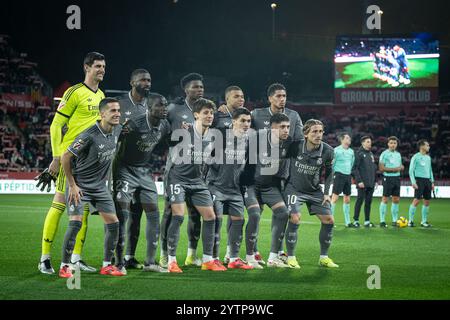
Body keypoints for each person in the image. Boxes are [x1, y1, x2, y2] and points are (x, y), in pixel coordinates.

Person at [37, 52, 106, 274]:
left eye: (104, 66)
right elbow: (56, 126)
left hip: (90, 162)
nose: (102, 70)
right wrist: (56, 158)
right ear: (86, 67)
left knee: (83, 210)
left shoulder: (102, 95)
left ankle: (76, 258)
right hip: (70, 158)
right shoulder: (74, 92)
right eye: (97, 66)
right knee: (59, 205)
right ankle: (45, 258)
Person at [59, 98, 124, 278]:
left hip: (100, 188)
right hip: (79, 186)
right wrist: (72, 185)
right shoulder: (88, 135)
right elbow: (66, 156)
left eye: (118, 110)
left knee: (113, 224)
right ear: (102, 114)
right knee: (75, 224)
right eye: (112, 111)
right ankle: (64, 266)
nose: (117, 113)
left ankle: (106, 265)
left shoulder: (118, 130)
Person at [165, 98, 226, 273]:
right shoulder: (183, 131)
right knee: (178, 216)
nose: (210, 116)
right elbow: (168, 145)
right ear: (196, 114)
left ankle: (207, 260)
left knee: (210, 216)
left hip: (197, 182)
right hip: (178, 179)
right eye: (205, 112)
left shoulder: (213, 136)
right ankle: (171, 261)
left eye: (211, 113)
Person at [113, 93, 170, 273]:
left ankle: (150, 262)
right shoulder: (133, 125)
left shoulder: (165, 125)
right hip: (124, 169)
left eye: (165, 105)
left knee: (153, 212)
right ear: (149, 108)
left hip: (144, 171)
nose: (164, 109)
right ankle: (118, 262)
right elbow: (114, 141)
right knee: (122, 215)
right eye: (160, 106)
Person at [247, 83, 303, 264]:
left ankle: (276, 252)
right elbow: (242, 128)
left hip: (281, 175)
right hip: (257, 174)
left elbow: (298, 142)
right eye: (278, 96)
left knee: (281, 213)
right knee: (257, 212)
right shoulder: (256, 114)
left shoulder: (293, 116)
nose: (282, 99)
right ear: (270, 98)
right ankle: (253, 252)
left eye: (284, 96)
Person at [160, 73, 205, 268]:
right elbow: (162, 134)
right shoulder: (173, 110)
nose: (200, 90)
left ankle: (192, 255)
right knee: (171, 213)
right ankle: (163, 254)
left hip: (197, 171)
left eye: (201, 87)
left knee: (196, 213)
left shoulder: (206, 109)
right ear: (186, 90)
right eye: (195, 87)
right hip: (176, 169)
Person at [284, 119, 337, 268]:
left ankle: (324, 257)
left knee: (329, 220)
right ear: (306, 134)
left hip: (314, 191)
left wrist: (327, 193)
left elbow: (329, 172)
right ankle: (291, 257)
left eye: (321, 131)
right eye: (314, 131)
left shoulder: (327, 151)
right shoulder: (295, 147)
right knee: (295, 218)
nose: (318, 135)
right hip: (294, 189)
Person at [206, 107, 253, 269]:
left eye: (248, 121)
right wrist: (217, 165)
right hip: (216, 187)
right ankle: (213, 258)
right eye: (243, 121)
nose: (246, 124)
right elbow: (206, 157)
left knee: (239, 221)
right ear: (234, 121)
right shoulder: (221, 137)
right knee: (216, 222)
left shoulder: (249, 141)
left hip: (235, 189)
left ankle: (233, 259)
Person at [115, 68, 151, 270]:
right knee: (121, 214)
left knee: (138, 214)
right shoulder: (119, 103)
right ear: (132, 82)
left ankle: (129, 256)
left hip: (143, 168)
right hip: (121, 167)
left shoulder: (152, 104)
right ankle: (115, 256)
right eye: (143, 80)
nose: (147, 83)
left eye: (149, 80)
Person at [253, 113, 294, 268]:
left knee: (283, 213)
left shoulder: (289, 142)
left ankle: (273, 257)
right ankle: (249, 253)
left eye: (288, 127)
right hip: (253, 185)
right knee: (254, 215)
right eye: (282, 127)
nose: (286, 130)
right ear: (272, 127)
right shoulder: (258, 137)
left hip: (271, 186)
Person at [408, 139, 434, 228]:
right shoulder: (415, 157)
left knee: (427, 201)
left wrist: (432, 181)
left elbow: (430, 170)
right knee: (416, 200)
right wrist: (413, 182)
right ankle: (410, 221)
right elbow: (411, 170)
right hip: (419, 180)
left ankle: (424, 221)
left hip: (428, 181)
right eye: (427, 145)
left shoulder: (428, 157)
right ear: (422, 146)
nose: (428, 147)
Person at [379, 136, 404, 227]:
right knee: (385, 199)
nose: (393, 145)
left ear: (396, 144)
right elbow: (381, 168)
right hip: (388, 178)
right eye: (391, 143)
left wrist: (401, 167)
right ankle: (382, 221)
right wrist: (395, 169)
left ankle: (394, 220)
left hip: (397, 178)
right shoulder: (384, 154)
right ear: (388, 144)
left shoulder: (398, 154)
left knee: (396, 199)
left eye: (395, 143)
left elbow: (400, 166)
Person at [352, 136, 377, 228]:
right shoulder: (359, 153)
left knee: (368, 202)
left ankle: (367, 221)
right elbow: (355, 169)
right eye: (367, 142)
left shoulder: (370, 154)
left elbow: (374, 168)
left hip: (371, 183)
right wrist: (359, 181)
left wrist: (376, 180)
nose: (370, 143)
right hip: (362, 183)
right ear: (363, 143)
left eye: (370, 142)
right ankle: (356, 220)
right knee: (359, 201)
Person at [330, 133, 354, 227]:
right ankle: (330, 221)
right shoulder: (336, 150)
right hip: (338, 175)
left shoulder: (351, 151)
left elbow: (352, 163)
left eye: (349, 137)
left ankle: (348, 222)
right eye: (347, 138)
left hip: (347, 175)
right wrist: (334, 174)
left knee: (347, 199)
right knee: (335, 198)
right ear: (342, 140)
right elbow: (332, 164)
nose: (349, 139)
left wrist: (348, 172)